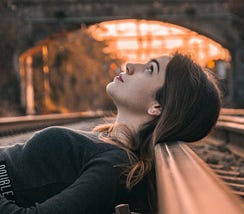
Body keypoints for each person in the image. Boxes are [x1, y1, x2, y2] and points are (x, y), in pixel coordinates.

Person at [0, 53, 221, 214]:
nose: (130, 65)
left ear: (158, 106)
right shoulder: (108, 145)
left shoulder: (116, 165)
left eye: (150, 69)